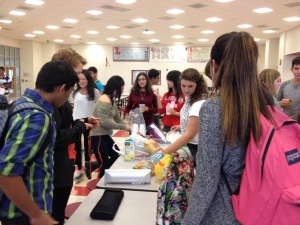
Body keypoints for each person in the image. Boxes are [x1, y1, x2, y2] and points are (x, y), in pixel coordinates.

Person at [182, 32, 275, 225]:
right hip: (264, 205)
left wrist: (189, 222)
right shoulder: (269, 101)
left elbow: (208, 179)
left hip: (226, 210)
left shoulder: (214, 109)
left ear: (215, 65)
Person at [0, 60, 78, 225]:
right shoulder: (38, 117)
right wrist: (36, 214)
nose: (67, 97)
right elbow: (6, 171)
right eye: (70, 91)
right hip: (23, 215)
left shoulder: (19, 104)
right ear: (61, 88)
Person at [50, 48, 99, 225]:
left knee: (59, 211)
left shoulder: (63, 99)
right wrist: (79, 127)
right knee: (55, 214)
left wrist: (83, 121)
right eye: (77, 73)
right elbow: (56, 136)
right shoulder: (52, 102)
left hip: (66, 163)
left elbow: (66, 125)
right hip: (57, 170)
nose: (80, 78)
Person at [159, 68, 208, 160]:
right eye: (183, 85)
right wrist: (182, 126)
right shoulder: (189, 97)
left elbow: (189, 136)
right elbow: (196, 122)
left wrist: (164, 152)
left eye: (190, 86)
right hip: (191, 144)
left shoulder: (198, 103)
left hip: (196, 147)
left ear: (198, 85)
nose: (186, 89)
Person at [90, 75, 131, 178]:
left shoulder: (111, 100)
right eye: (120, 89)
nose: (121, 92)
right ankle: (101, 185)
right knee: (105, 165)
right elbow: (105, 122)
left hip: (105, 135)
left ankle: (94, 165)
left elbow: (117, 118)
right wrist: (124, 127)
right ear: (115, 88)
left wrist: (126, 125)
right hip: (98, 135)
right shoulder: (104, 100)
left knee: (116, 156)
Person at [69, 70, 100, 181]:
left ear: (88, 80)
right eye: (79, 79)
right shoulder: (74, 92)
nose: (81, 81)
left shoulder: (95, 92)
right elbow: (73, 105)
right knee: (76, 146)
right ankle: (79, 169)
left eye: (84, 79)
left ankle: (88, 168)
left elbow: (98, 106)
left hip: (89, 121)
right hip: (76, 121)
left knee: (88, 146)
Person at [277, 56, 300, 120]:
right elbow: (275, 103)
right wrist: (280, 103)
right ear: (291, 69)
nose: (299, 72)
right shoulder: (285, 85)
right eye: (296, 68)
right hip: (287, 123)